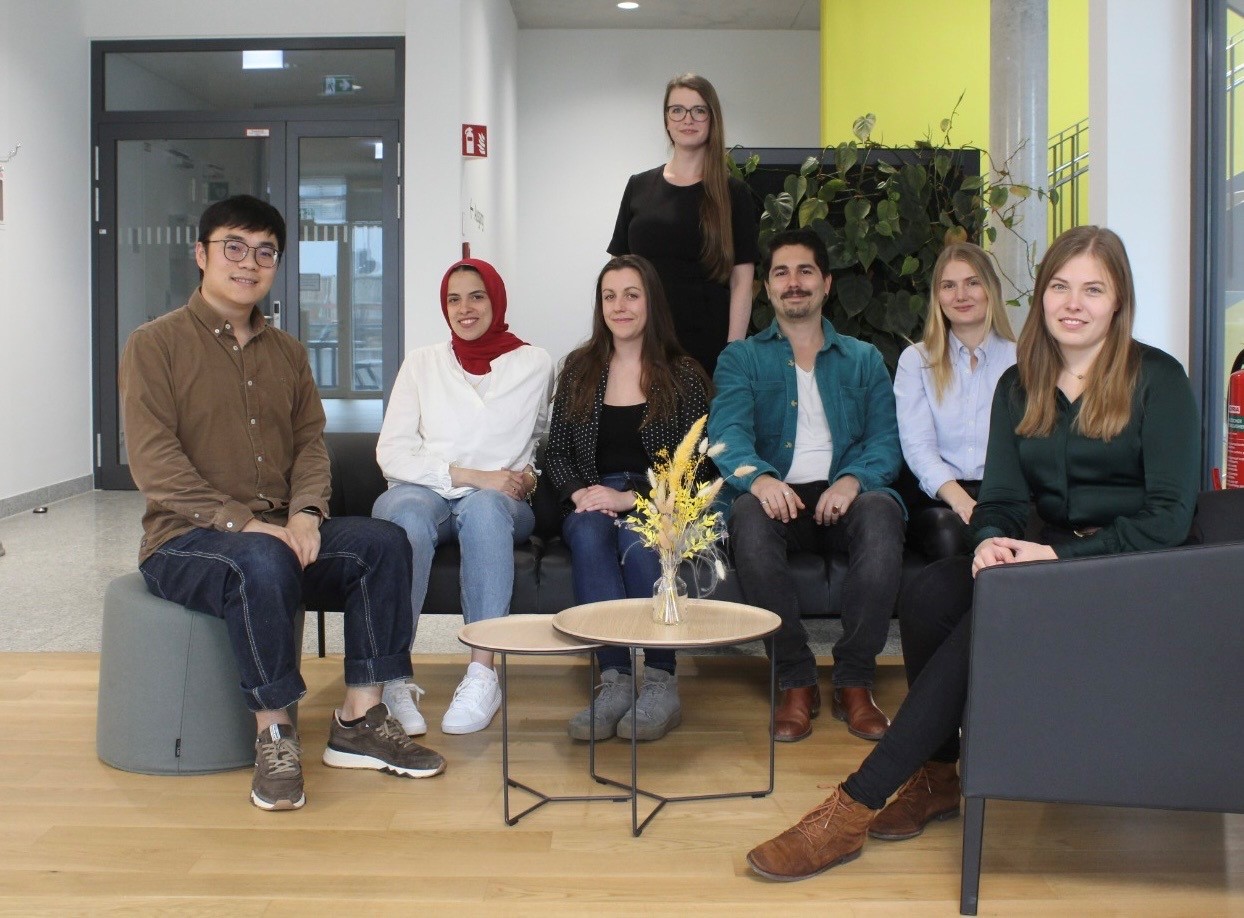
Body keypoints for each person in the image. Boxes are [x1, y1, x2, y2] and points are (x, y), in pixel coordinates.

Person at [745, 225, 1201, 882]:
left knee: (987, 615)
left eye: (1093, 290)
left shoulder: (1158, 380)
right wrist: (990, 544)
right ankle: (936, 776)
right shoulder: (1023, 383)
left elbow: (1169, 519)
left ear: (1118, 300)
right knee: (932, 590)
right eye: (1061, 287)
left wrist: (1051, 562)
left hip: (1139, 578)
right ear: (1042, 295)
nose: (1074, 303)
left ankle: (853, 805)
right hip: (1054, 564)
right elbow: (1006, 502)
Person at [120, 195, 445, 812]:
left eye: (265, 251)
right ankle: (275, 731)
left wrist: (305, 515)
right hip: (185, 541)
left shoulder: (290, 354)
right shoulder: (154, 345)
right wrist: (244, 523)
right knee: (260, 561)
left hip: (276, 531)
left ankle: (360, 719)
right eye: (233, 248)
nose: (249, 263)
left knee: (384, 542)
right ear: (202, 255)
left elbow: (309, 448)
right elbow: (155, 463)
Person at [709, 227, 907, 744]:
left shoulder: (864, 359)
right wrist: (761, 479)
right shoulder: (742, 359)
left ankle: (855, 682)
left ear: (826, 283)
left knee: (884, 514)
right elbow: (726, 434)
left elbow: (886, 441)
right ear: (768, 289)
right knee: (747, 519)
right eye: (781, 273)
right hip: (779, 496)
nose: (793, 283)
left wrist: (852, 480)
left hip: (847, 493)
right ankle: (795, 680)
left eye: (804, 272)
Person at [373, 258, 553, 737]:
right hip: (422, 491)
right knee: (407, 518)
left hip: (501, 503)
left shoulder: (535, 363)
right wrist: (474, 475)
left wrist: (528, 479)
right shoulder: (422, 362)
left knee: (487, 508)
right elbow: (391, 451)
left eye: (476, 296)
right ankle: (393, 676)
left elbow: (545, 439)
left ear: (496, 300)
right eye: (454, 299)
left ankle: (482, 673)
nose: (464, 308)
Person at [546, 255, 713, 742]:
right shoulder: (578, 369)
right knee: (587, 531)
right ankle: (614, 680)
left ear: (651, 302)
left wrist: (630, 498)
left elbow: (697, 464)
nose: (619, 306)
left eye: (631, 295)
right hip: (590, 495)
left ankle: (661, 681)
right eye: (609, 296)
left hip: (658, 498)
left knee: (646, 543)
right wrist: (581, 493)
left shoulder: (683, 375)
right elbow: (555, 451)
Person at [609, 72, 759, 376]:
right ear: (666, 119)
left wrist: (732, 355)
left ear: (712, 119)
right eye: (676, 110)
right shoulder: (638, 186)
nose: (686, 119)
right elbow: (617, 275)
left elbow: (742, 282)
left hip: (707, 348)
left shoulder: (735, 194)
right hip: (643, 344)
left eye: (698, 110)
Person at [894, 243, 1016, 560]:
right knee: (953, 535)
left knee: (1006, 539)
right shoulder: (916, 360)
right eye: (949, 286)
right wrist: (961, 500)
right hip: (939, 500)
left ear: (991, 289)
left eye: (972, 282)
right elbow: (917, 447)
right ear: (938, 296)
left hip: (1005, 495)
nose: (960, 295)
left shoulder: (1022, 360)